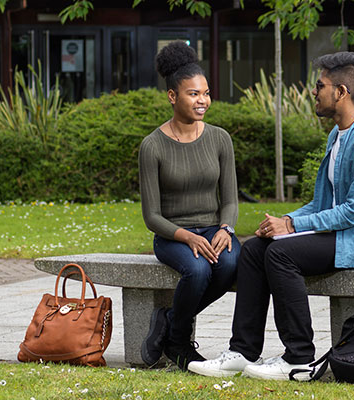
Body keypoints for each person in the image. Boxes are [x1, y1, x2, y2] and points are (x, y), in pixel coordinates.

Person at [188, 51, 354, 381]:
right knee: (254, 249)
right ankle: (242, 351)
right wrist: (281, 222)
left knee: (280, 254)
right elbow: (322, 203)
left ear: (341, 92)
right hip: (347, 233)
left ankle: (299, 359)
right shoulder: (337, 136)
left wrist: (291, 226)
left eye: (319, 85)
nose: (313, 92)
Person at [138, 41, 240, 370]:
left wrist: (226, 228)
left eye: (206, 93)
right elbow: (151, 216)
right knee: (197, 270)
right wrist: (188, 237)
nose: (203, 101)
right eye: (193, 94)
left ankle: (168, 321)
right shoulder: (152, 146)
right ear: (172, 96)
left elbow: (230, 198)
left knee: (230, 264)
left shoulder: (220, 138)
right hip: (173, 234)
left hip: (214, 227)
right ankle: (179, 341)